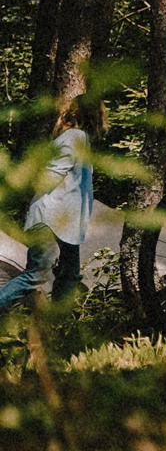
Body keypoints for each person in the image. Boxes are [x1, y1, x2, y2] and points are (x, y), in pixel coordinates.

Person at [1, 96, 99, 310]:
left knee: (70, 274)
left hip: (64, 221)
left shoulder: (77, 138)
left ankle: (56, 325)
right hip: (53, 217)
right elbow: (51, 174)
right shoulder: (76, 137)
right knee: (35, 275)